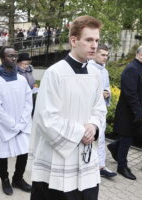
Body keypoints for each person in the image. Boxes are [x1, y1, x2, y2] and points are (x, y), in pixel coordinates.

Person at [30, 16, 107, 200]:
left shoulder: (96, 74)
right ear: (73, 40)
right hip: (58, 157)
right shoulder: (55, 73)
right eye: (89, 40)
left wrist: (94, 127)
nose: (94, 45)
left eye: (96, 40)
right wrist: (81, 132)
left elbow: (99, 109)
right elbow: (46, 118)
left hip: (86, 157)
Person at [0, 46, 33, 196]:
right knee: (3, 155)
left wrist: (22, 122)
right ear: (1, 59)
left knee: (23, 152)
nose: (13, 58)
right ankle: (5, 180)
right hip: (3, 126)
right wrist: (13, 125)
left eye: (15, 55)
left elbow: (28, 101)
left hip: (21, 124)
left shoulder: (21, 79)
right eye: (9, 56)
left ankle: (18, 179)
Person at [107, 44, 142, 180]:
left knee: (130, 137)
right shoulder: (132, 69)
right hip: (128, 113)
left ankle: (115, 147)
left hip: (135, 111)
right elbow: (130, 93)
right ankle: (122, 166)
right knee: (127, 138)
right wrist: (138, 112)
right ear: (141, 54)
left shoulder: (140, 68)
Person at [88, 44, 117, 178]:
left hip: (101, 109)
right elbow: (87, 91)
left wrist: (107, 93)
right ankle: (89, 166)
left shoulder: (104, 71)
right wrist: (100, 93)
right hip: (91, 111)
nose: (106, 58)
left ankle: (101, 166)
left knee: (101, 138)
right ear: (94, 54)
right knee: (92, 137)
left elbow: (106, 87)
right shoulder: (88, 68)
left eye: (107, 55)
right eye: (103, 55)